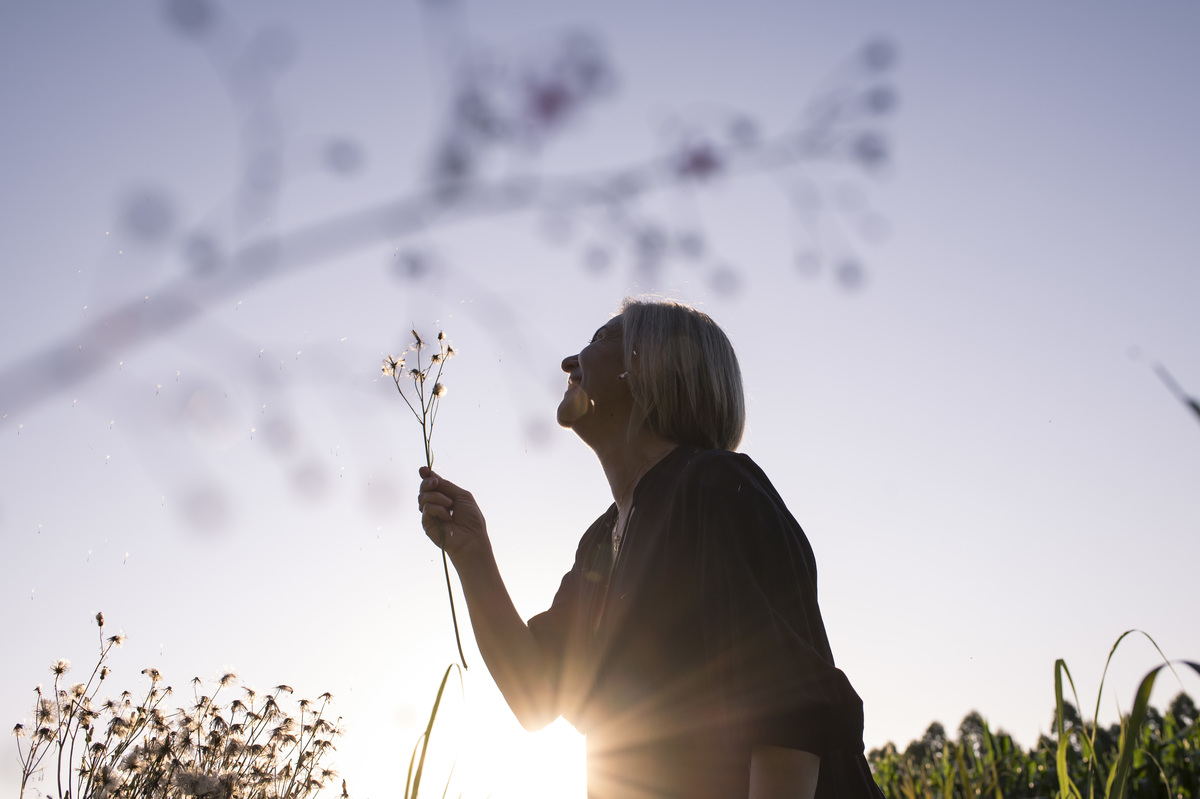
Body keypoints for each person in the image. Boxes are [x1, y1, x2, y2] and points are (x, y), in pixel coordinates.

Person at [417, 298, 884, 799]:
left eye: (600, 340)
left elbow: (788, 708)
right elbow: (535, 695)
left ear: (649, 367)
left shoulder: (714, 487)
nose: (570, 362)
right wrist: (472, 554)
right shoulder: (600, 543)